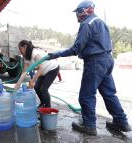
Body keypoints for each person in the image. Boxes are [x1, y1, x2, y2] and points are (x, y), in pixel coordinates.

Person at [48, 0, 131, 135]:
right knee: (109, 93)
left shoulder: (87, 24)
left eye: (79, 12)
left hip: (95, 62)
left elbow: (76, 48)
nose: (77, 16)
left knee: (86, 95)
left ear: (86, 11)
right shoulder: (101, 23)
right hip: (107, 59)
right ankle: (121, 122)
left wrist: (56, 54)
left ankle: (89, 125)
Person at [15, 40, 59, 107]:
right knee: (36, 87)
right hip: (43, 71)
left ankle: (47, 108)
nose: (20, 51)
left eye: (20, 49)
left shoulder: (35, 54)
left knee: (43, 89)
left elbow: (41, 68)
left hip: (52, 68)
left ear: (25, 47)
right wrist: (17, 86)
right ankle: (42, 103)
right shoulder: (26, 56)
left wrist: (32, 80)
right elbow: (24, 72)